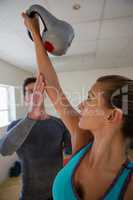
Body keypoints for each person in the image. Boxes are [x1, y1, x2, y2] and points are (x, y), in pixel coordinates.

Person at [22, 13, 133, 200]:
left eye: (90, 99)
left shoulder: (129, 187)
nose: (81, 105)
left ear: (112, 116)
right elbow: (52, 86)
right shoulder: (81, 138)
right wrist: (35, 33)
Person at [0, 76, 72, 200]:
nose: (35, 95)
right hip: (29, 194)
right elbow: (4, 150)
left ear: (44, 95)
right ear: (24, 99)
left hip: (56, 191)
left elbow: (70, 153)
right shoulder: (15, 125)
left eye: (38, 91)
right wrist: (32, 116)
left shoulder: (59, 123)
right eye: (30, 92)